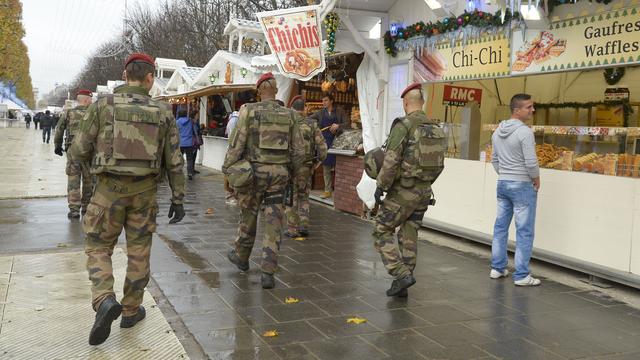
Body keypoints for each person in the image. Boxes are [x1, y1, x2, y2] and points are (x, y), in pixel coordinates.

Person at [68, 52, 186, 345]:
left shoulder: (102, 106)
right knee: (139, 253)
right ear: (150, 79)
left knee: (97, 246)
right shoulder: (163, 112)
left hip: (107, 192)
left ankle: (104, 299)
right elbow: (175, 161)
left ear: (124, 76)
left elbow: (79, 150)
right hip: (145, 195)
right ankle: (131, 311)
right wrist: (178, 198)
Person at [223, 72, 304, 289]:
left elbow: (237, 144)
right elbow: (299, 151)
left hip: (253, 175)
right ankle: (268, 272)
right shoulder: (290, 115)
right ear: (276, 90)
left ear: (259, 91)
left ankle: (241, 257)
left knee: (248, 215)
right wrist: (293, 175)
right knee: (274, 222)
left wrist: (227, 167)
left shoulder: (248, 111)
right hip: (279, 176)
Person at [372, 83, 445, 297]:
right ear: (422, 102)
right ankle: (403, 281)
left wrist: (380, 187)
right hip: (424, 192)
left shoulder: (404, 125)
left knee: (380, 229)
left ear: (405, 103)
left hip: (403, 191)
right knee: (409, 232)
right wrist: (425, 183)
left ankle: (400, 273)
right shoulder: (436, 128)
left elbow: (391, 161)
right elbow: (439, 165)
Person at [489, 93, 541, 286]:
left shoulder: (497, 132)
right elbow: (531, 162)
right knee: (524, 231)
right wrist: (536, 179)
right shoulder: (525, 132)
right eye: (528, 107)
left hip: (503, 184)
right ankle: (521, 275)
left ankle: (497, 267)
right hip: (522, 185)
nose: (532, 110)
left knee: (500, 227)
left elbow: (494, 160)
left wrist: (504, 174)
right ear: (516, 110)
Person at [284, 95, 327, 238]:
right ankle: (304, 226)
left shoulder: (288, 123)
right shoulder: (312, 124)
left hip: (290, 167)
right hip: (307, 167)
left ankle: (292, 229)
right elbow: (323, 149)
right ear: (304, 109)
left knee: (291, 197)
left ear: (292, 108)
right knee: (304, 196)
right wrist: (316, 164)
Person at [54, 89, 94, 218]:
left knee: (73, 181)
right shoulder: (94, 114)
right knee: (89, 181)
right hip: (89, 151)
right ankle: (86, 207)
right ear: (87, 100)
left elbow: (59, 130)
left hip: (73, 151)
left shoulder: (69, 113)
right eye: (91, 99)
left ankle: (74, 210)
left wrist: (57, 146)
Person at [310, 93, 349, 199]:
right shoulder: (320, 113)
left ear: (331, 101)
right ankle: (327, 191)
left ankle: (338, 191)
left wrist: (338, 126)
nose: (323, 103)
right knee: (326, 167)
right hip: (325, 142)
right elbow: (309, 120)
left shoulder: (340, 111)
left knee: (338, 167)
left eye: (326, 100)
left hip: (338, 142)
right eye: (323, 101)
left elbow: (347, 123)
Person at [176, 107, 197, 180]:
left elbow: (175, 132)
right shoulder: (190, 121)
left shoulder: (177, 122)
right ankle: (190, 173)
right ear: (186, 114)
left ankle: (179, 171)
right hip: (189, 143)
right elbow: (195, 130)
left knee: (179, 158)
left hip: (180, 143)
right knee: (190, 159)